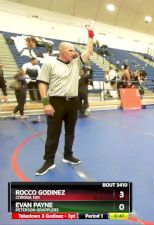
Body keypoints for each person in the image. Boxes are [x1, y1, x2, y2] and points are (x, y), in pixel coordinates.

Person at [34, 24, 94, 176]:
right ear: (62, 51)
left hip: (73, 102)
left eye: (74, 50)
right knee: (53, 133)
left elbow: (89, 51)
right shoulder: (49, 63)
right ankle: (49, 161)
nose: (74, 53)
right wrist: (46, 102)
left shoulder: (76, 63)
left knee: (70, 131)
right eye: (71, 50)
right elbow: (42, 83)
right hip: (56, 102)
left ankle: (68, 155)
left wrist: (90, 34)